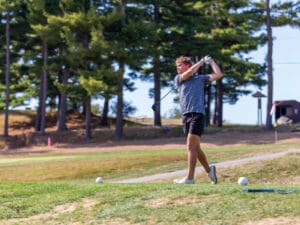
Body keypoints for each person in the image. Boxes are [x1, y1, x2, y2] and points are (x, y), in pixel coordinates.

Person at [173, 55, 223, 184]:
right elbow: (189, 73)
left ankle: (190, 178)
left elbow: (218, 74)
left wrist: (211, 61)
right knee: (196, 147)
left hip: (197, 114)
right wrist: (201, 62)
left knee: (190, 146)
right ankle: (209, 170)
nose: (178, 68)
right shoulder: (179, 79)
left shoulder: (200, 79)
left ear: (187, 65)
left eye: (180, 66)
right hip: (186, 115)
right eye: (177, 66)